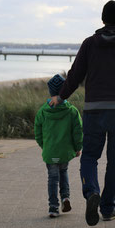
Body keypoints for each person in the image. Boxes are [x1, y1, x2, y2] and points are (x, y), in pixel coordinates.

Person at [49, 0, 115, 226]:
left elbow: (74, 75)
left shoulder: (89, 44)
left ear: (102, 20)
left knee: (91, 156)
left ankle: (92, 192)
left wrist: (60, 97)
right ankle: (108, 208)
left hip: (93, 110)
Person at [34, 74, 83, 218]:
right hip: (65, 151)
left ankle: (53, 207)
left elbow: (37, 132)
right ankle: (65, 198)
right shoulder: (72, 111)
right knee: (64, 172)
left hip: (50, 152)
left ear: (50, 92)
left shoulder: (43, 111)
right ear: (64, 91)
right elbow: (78, 131)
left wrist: (44, 146)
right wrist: (78, 147)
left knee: (52, 178)